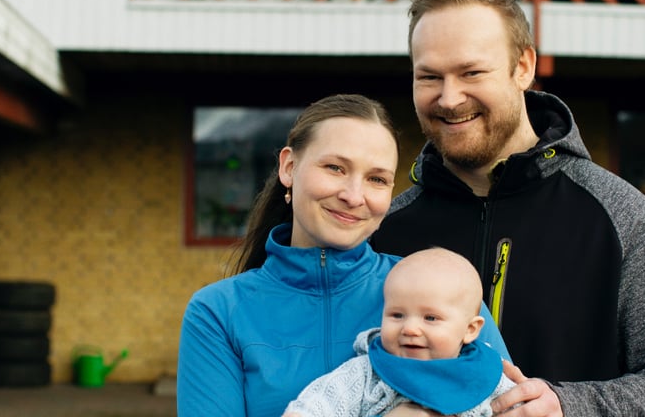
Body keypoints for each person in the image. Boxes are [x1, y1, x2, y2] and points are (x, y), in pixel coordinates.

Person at [368, 0, 645, 416]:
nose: (449, 97)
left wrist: (569, 406)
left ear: (523, 67)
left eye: (471, 72)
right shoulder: (384, 229)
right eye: (429, 77)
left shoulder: (621, 217)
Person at [176, 93, 509, 417]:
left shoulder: (442, 292)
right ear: (289, 167)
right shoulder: (218, 313)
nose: (353, 196)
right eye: (335, 168)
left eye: (376, 179)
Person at [283, 247, 515, 417]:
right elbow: (320, 403)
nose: (410, 328)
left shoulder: (487, 373)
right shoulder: (369, 372)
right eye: (397, 315)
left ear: (470, 329)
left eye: (430, 318)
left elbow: (520, 406)